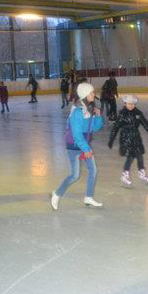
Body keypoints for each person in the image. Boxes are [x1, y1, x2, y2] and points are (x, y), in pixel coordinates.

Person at [51, 82, 104, 210]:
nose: (93, 94)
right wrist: (86, 149)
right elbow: (76, 134)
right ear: (85, 95)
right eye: (91, 92)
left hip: (84, 144)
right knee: (75, 175)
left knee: (93, 170)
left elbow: (94, 128)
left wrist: (98, 116)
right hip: (74, 145)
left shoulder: (89, 109)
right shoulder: (77, 112)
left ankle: (88, 197)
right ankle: (57, 194)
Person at [108, 95, 148, 187]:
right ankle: (125, 175)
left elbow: (146, 124)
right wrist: (111, 139)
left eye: (133, 104)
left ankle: (142, 174)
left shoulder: (138, 113)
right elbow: (115, 127)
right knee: (130, 157)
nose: (131, 105)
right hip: (126, 138)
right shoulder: (122, 114)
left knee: (140, 156)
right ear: (125, 103)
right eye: (129, 104)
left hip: (136, 137)